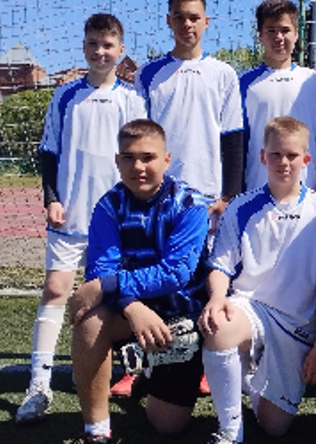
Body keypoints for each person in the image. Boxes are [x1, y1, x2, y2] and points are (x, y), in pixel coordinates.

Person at [15, 12, 146, 424]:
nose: (100, 51)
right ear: (84, 47)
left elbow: (140, 160)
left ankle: (130, 373)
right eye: (93, 44)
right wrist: (52, 199)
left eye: (108, 45)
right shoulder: (65, 96)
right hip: (70, 216)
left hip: (115, 220)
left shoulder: (133, 99)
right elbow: (49, 152)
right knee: (56, 290)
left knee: (118, 297)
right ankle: (39, 384)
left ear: (120, 50)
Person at [67, 119, 210, 443]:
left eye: (148, 157)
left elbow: (176, 272)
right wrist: (131, 307)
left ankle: (158, 368)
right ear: (117, 161)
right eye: (129, 158)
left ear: (167, 160)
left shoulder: (191, 204)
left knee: (167, 426)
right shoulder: (108, 205)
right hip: (133, 312)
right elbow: (101, 269)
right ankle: (97, 431)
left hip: (183, 319)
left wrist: (108, 287)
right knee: (89, 321)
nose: (138, 167)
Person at [198, 116, 316, 444]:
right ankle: (230, 432)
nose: (283, 162)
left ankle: (248, 374)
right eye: (276, 154)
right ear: (262, 157)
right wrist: (217, 298)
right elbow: (220, 266)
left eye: (292, 155)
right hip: (251, 308)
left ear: (306, 159)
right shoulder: (241, 207)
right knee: (219, 326)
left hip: (297, 326)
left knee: (275, 427)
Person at [135, 0, 244, 219]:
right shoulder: (147, 74)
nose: (187, 24)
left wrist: (229, 196)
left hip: (208, 196)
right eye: (179, 17)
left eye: (194, 18)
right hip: (158, 194)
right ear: (168, 21)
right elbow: (138, 138)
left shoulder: (223, 74)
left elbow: (233, 137)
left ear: (206, 22)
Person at [238, 0, 316, 192]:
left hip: (306, 191)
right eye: (271, 30)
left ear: (296, 34)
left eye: (285, 30)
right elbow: (237, 142)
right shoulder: (244, 83)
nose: (278, 37)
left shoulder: (313, 81)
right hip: (258, 190)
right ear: (260, 35)